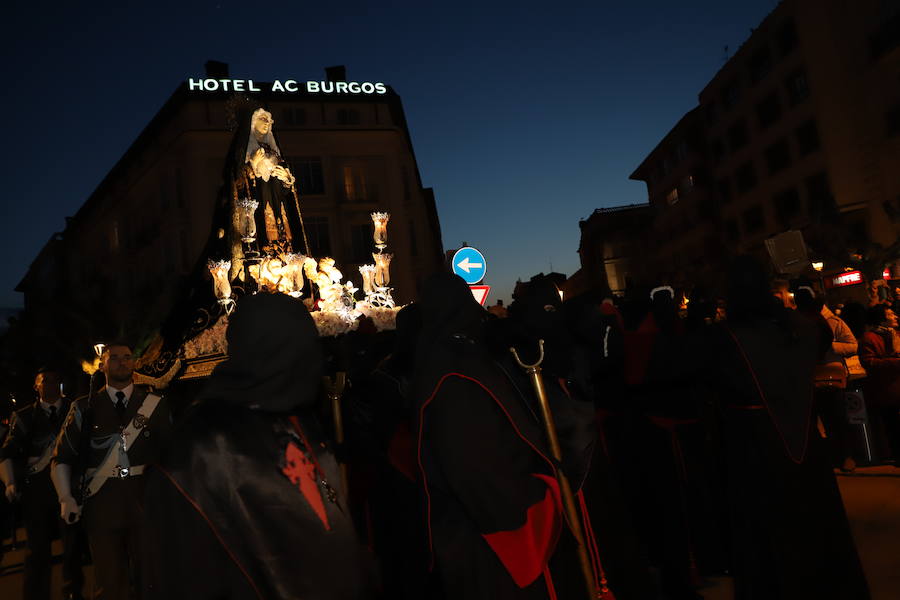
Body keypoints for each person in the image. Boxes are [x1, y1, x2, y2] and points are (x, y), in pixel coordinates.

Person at [141, 293, 377, 599]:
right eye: (304, 349)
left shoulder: (298, 419)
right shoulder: (198, 446)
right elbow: (183, 573)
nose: (316, 362)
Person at [661, 257, 869, 599]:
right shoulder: (808, 326)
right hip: (806, 444)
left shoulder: (722, 337)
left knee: (766, 537)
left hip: (753, 448)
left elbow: (678, 369)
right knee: (817, 531)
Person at [413, 273, 604, 600]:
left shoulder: (459, 361)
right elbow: (477, 474)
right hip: (489, 547)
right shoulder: (454, 375)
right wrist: (540, 497)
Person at [52, 343, 173, 600]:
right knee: (108, 581)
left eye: (127, 357)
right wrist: (65, 498)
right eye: (114, 358)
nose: (122, 362)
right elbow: (62, 457)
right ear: (102, 365)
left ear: (134, 363)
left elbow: (172, 456)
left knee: (150, 579)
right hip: (101, 505)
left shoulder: (154, 404)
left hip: (146, 502)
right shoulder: (84, 407)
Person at [0, 368, 85, 600]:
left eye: (55, 379)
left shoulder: (75, 409)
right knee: (37, 550)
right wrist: (9, 482)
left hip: (71, 485)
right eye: (44, 381)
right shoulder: (24, 416)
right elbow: (7, 451)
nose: (50, 384)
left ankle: (73, 591)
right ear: (36, 386)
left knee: (72, 546)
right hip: (37, 490)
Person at [859, 304, 900, 463]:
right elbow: (869, 362)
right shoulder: (870, 338)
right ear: (881, 318)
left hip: (896, 384)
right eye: (890, 314)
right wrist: (895, 362)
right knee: (892, 424)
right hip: (886, 389)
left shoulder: (895, 334)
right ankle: (896, 454)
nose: (895, 317)